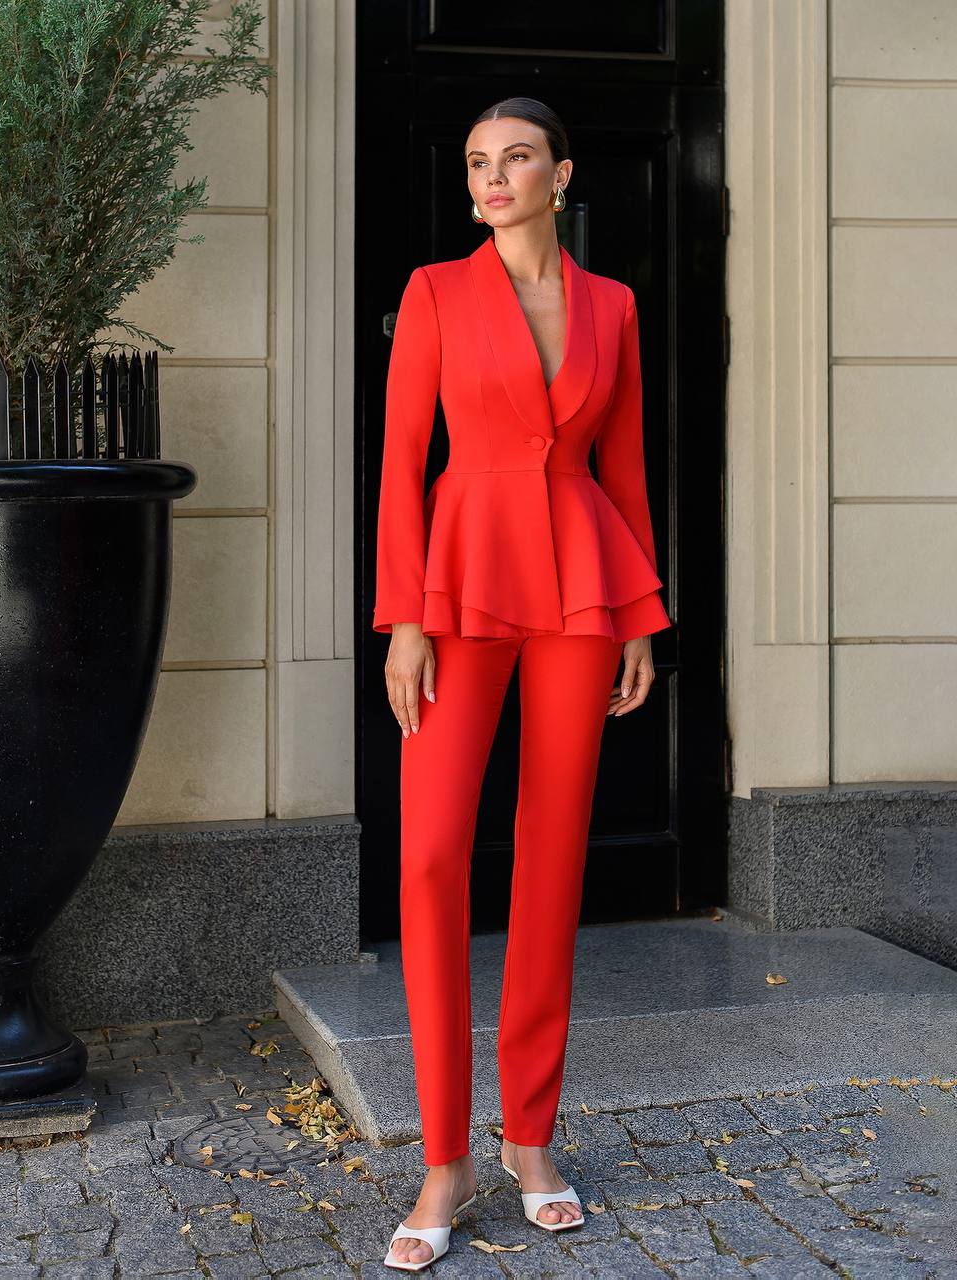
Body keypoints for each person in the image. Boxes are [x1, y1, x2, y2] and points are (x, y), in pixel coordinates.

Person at [375, 96, 672, 1272]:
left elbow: (623, 463)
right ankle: (444, 1155)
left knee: (552, 855)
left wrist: (639, 611)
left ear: (560, 173)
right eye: (476, 164)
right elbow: (403, 462)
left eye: (515, 159)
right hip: (458, 583)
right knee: (432, 851)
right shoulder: (435, 293)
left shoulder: (613, 306)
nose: (492, 179)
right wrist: (404, 620)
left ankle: (529, 1137)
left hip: (583, 590)